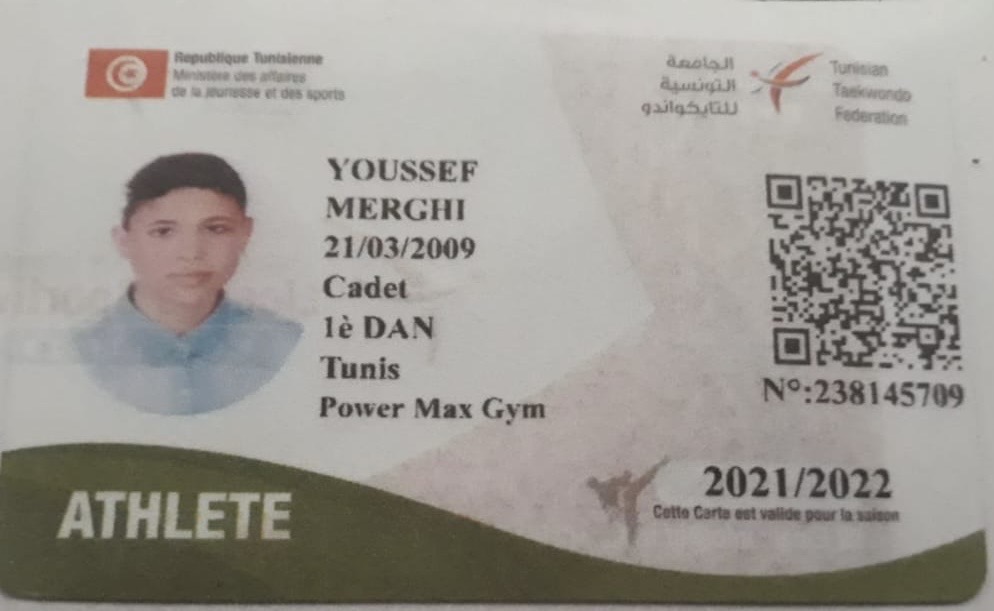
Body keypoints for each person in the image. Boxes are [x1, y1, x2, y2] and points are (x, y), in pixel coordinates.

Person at [74, 153, 301, 415]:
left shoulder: (287, 344)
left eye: (216, 229)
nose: (191, 253)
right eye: (164, 231)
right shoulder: (78, 349)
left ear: (246, 234)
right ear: (123, 241)